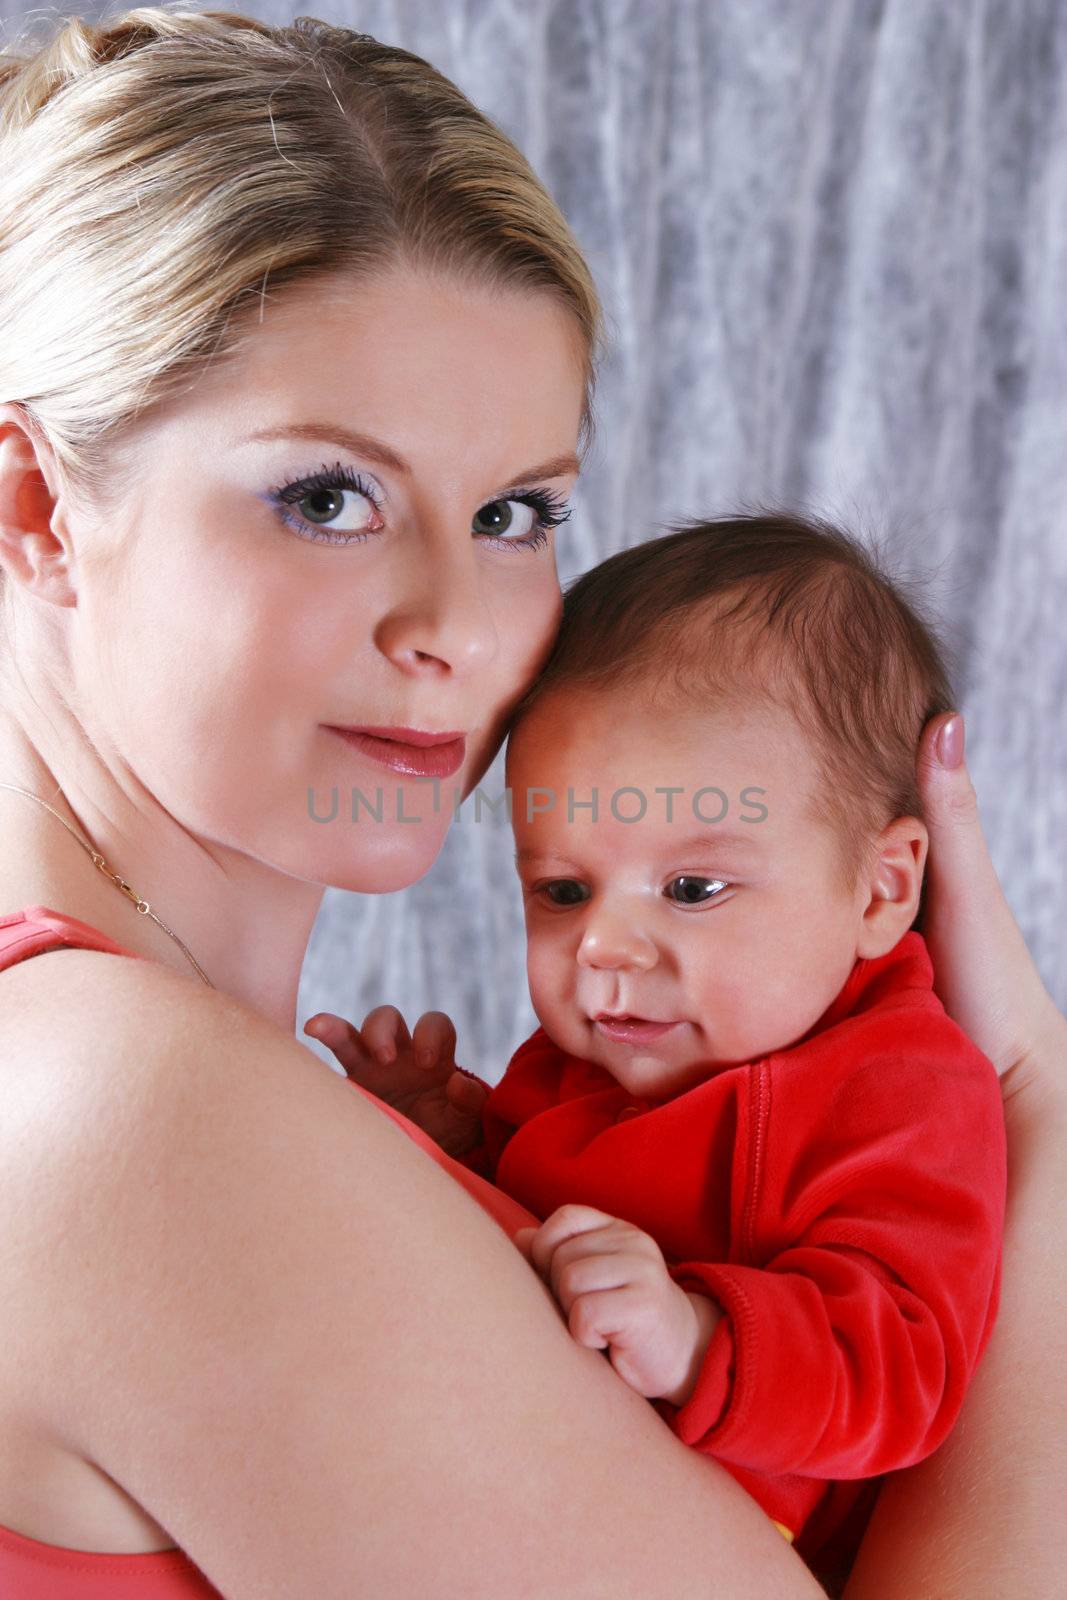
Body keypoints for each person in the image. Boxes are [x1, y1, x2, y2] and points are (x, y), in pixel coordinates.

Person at [0, 7, 1062, 1598]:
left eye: (512, 511)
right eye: (326, 497)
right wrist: (1035, 1117)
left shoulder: (193, 1086)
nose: (459, 627)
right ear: (40, 509)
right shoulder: (135, 1118)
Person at [312, 512, 1008, 1590]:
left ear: (879, 888)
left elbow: (901, 1368)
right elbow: (526, 1236)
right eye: (561, 889)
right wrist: (453, 1135)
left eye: (690, 888)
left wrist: (695, 1338)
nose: (603, 946)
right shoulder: (581, 1063)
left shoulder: (899, 1089)